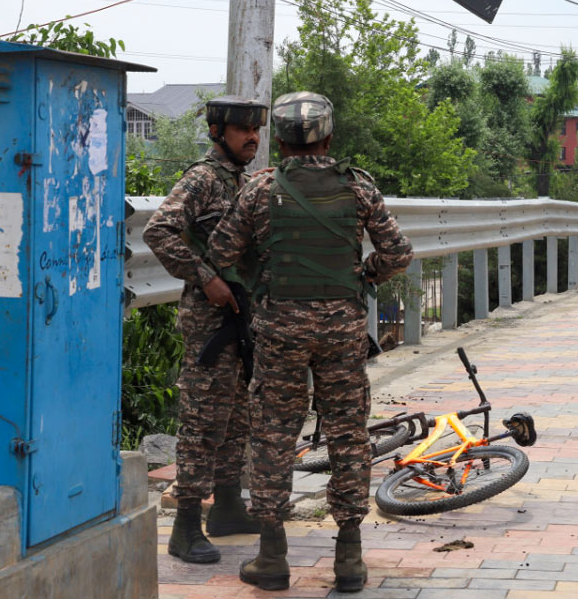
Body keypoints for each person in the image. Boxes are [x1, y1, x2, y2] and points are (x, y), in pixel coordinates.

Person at [208, 91, 413, 593]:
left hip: (280, 328)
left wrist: (265, 275)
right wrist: (363, 275)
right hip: (343, 330)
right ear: (329, 137)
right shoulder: (359, 189)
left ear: (278, 142)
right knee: (347, 433)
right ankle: (348, 557)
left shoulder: (258, 190)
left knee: (275, 434)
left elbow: (220, 250)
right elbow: (399, 252)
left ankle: (273, 555)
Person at [142, 96, 269, 564]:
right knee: (202, 422)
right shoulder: (202, 179)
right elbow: (159, 231)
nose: (251, 138)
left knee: (238, 416)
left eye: (256, 130)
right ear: (219, 133)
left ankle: (229, 507)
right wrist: (204, 276)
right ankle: (185, 526)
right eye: (241, 131)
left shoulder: (246, 182)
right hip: (209, 321)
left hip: (242, 317)